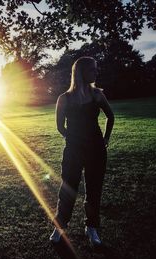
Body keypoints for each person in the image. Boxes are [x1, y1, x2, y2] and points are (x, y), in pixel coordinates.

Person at [50, 56, 114, 247]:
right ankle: (60, 226)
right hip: (73, 151)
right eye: (92, 69)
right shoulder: (65, 98)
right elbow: (60, 127)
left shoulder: (97, 95)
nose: (96, 72)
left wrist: (105, 139)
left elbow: (110, 117)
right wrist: (74, 140)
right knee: (68, 189)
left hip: (97, 150)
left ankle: (92, 227)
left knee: (94, 190)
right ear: (81, 72)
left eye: (96, 69)